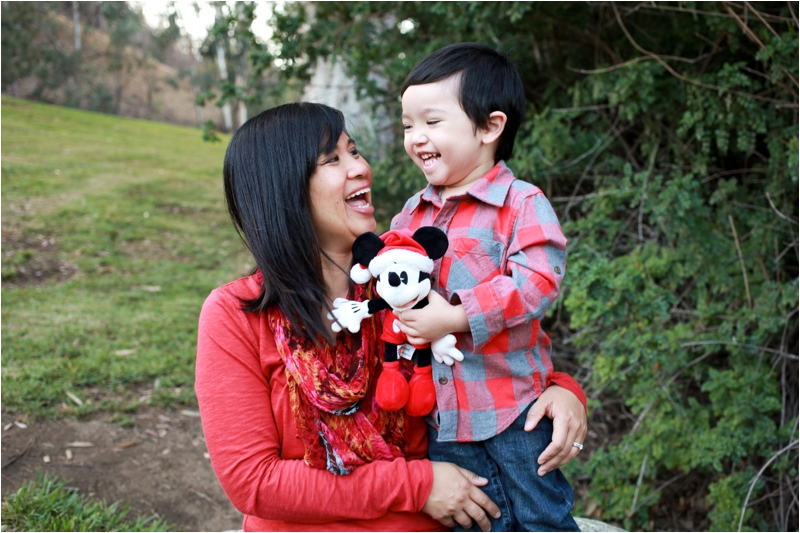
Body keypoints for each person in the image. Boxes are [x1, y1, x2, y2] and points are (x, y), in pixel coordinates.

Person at [195, 102, 587, 532]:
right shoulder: (234, 315)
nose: (361, 168)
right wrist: (418, 485)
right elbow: (254, 482)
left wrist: (562, 390)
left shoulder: (404, 279)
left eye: (354, 151)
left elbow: (487, 349)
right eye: (333, 159)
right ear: (283, 189)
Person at [389, 42, 582, 531]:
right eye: (408, 125)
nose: (416, 137)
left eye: (432, 121)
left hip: (514, 407)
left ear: (490, 127)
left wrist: (456, 316)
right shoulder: (410, 214)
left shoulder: (520, 204)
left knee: (540, 515)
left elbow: (538, 280)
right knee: (475, 518)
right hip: (442, 415)